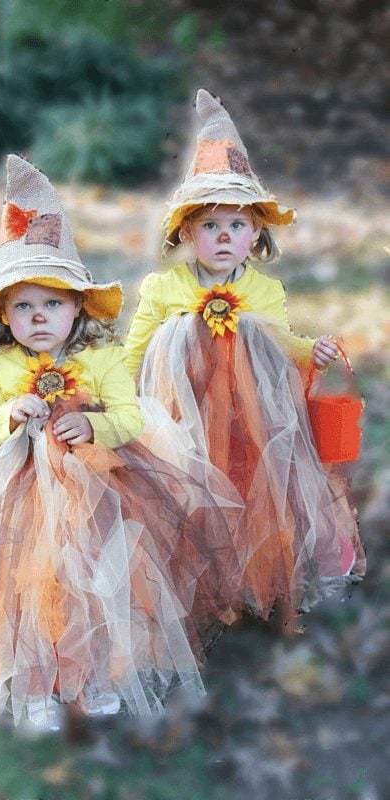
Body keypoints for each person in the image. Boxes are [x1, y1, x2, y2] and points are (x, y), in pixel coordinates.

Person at [0, 155, 242, 733]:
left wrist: (93, 426)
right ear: (4, 315)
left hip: (97, 491)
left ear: (77, 308)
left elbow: (129, 418)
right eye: (23, 305)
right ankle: (37, 683)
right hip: (13, 494)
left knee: (95, 581)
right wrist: (8, 416)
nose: (39, 317)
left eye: (53, 303)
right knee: (25, 587)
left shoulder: (101, 358)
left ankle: (93, 675)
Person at [126, 90, 365, 626]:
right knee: (196, 486)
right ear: (187, 232)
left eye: (236, 225)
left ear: (256, 232)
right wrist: (111, 398)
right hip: (187, 409)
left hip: (252, 414)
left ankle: (288, 561)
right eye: (210, 226)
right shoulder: (164, 288)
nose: (224, 237)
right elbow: (136, 351)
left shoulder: (264, 292)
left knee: (265, 483)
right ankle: (205, 576)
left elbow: (282, 345)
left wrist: (314, 351)